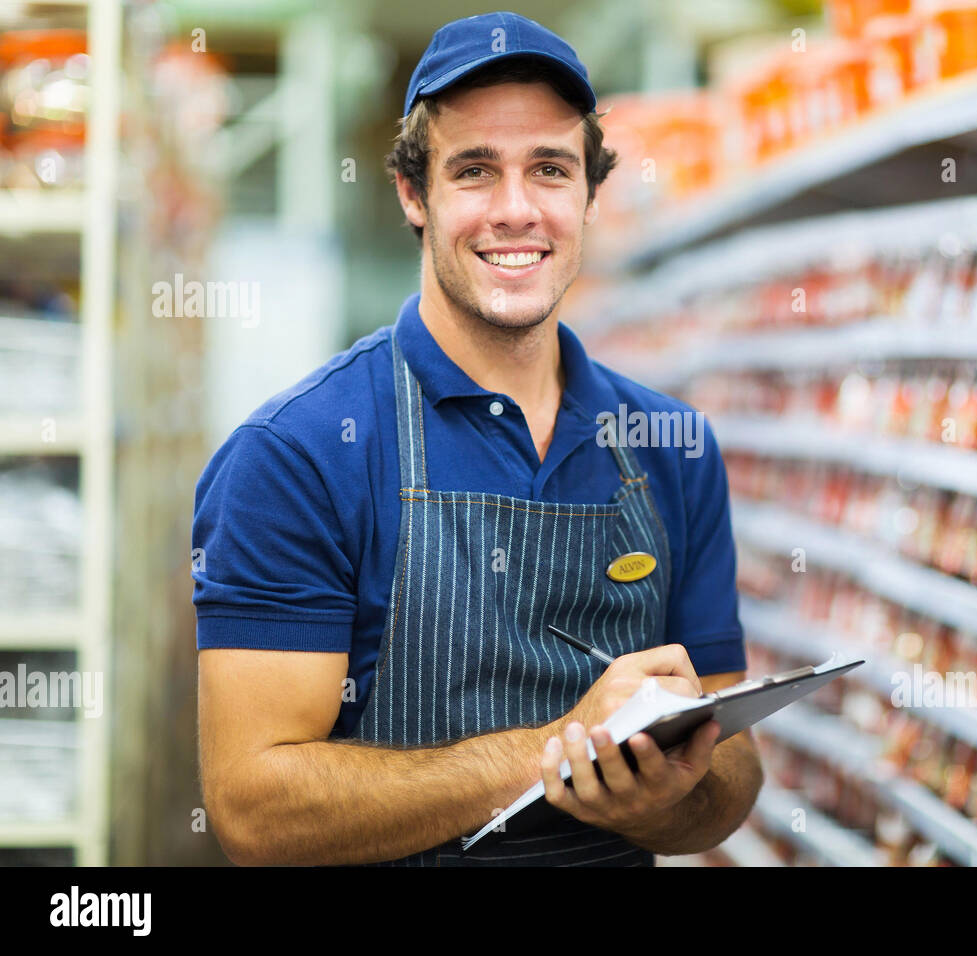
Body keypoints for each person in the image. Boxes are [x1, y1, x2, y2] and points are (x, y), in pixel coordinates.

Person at [192, 10, 762, 867]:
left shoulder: (669, 446)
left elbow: (734, 773)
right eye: (474, 171)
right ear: (413, 195)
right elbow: (252, 810)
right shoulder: (298, 453)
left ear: (590, 194)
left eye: (550, 169)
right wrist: (559, 751)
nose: (516, 210)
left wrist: (664, 793)